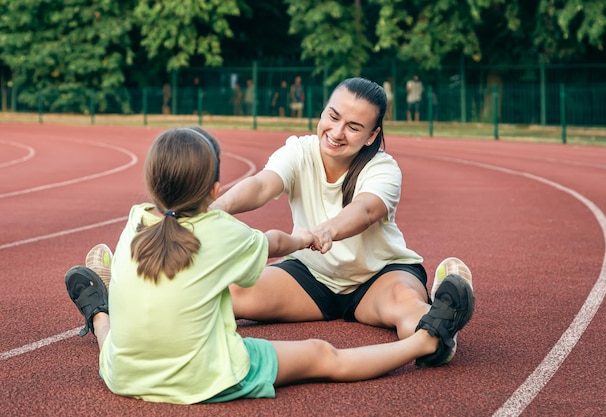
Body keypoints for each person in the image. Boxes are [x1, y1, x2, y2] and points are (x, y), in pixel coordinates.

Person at [65, 126, 475, 405]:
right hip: (208, 376)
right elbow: (275, 243)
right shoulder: (222, 231)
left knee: (117, 334)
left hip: (122, 374)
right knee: (323, 356)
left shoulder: (136, 219)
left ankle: (99, 312)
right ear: (214, 189)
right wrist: (305, 239)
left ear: (151, 184)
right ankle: (425, 341)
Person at [211, 77, 475, 366]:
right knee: (228, 292)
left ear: (372, 136)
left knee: (406, 306)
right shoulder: (299, 151)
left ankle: (438, 333)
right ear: (323, 111)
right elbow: (262, 186)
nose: (336, 132)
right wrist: (215, 209)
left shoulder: (383, 169)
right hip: (310, 277)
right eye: (333, 117)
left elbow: (364, 211)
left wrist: (328, 230)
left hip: (377, 277)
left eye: (353, 127)